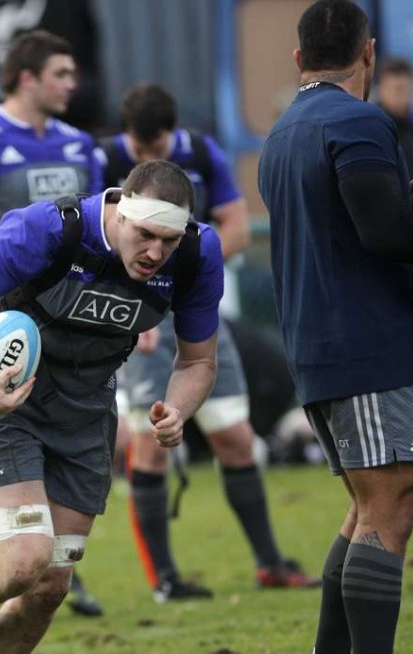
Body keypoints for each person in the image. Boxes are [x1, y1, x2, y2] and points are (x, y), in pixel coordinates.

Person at [0, 159, 224, 654]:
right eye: (145, 235)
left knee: (51, 585)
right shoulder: (48, 230)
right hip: (4, 399)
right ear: (120, 212)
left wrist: (179, 410)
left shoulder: (197, 253)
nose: (155, 253)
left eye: (167, 241)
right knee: (24, 558)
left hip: (84, 408)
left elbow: (197, 361)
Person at [257, 3, 413, 654]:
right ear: (368, 53)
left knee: (364, 510)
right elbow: (385, 237)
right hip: (368, 348)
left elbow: (356, 221)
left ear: (298, 61)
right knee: (390, 508)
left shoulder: (284, 131)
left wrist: (411, 211)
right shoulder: (359, 119)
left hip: (317, 351)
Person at [103, 83, 320, 601]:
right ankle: (164, 579)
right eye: (138, 153)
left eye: (155, 151)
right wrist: (139, 303)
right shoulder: (104, 157)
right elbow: (102, 237)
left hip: (199, 320)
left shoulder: (201, 152)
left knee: (237, 437)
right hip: (143, 323)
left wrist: (190, 279)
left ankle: (269, 563)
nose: (146, 163)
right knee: (150, 445)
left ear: (172, 136)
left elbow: (238, 228)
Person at [0, 28, 105, 617]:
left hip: (75, 339)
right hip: (7, 330)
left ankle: (56, 566)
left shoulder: (83, 146)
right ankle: (18, 564)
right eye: (60, 72)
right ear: (27, 77)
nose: (72, 83)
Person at [376, 56, 413, 183]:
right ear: (381, 90)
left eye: (406, 89)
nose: (402, 96)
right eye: (396, 89)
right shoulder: (372, 129)